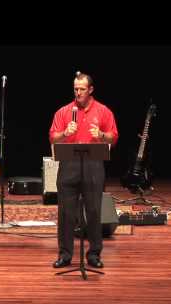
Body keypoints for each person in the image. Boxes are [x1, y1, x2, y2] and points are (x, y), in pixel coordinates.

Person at [49, 71, 119, 269]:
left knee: (94, 210)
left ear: (90, 90)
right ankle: (65, 254)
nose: (77, 93)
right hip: (68, 165)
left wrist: (102, 135)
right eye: (75, 89)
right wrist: (65, 133)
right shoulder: (63, 112)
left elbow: (113, 139)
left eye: (81, 89)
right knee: (66, 212)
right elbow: (53, 138)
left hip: (93, 164)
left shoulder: (103, 111)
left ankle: (94, 254)